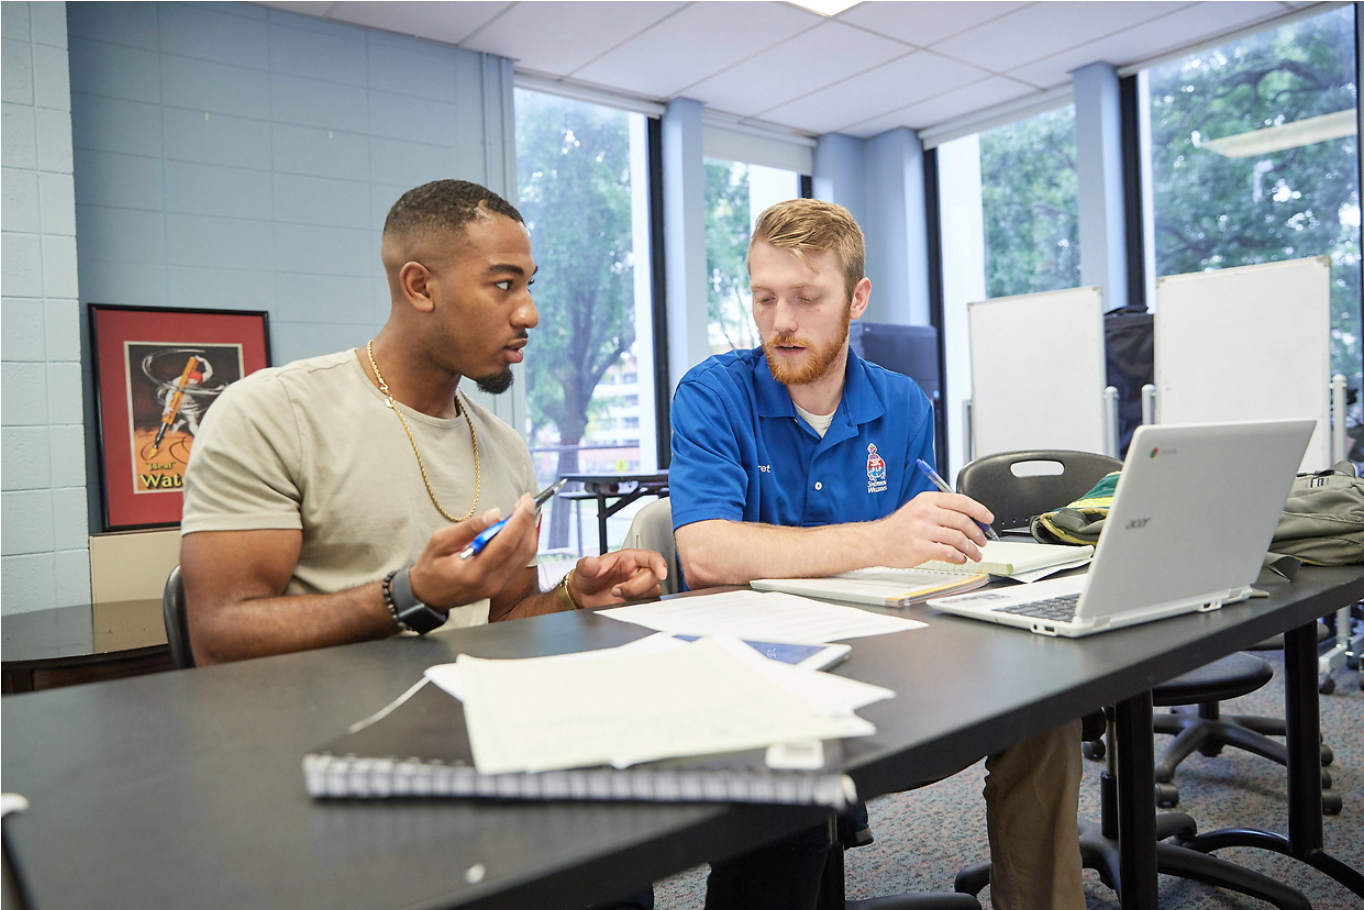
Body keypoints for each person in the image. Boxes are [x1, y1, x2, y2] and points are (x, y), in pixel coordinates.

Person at [668, 199, 1085, 909]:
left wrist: (954, 552)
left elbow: (923, 557)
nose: (781, 321)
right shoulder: (713, 394)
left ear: (857, 299)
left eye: (806, 298)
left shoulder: (903, 403)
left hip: (891, 653)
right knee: (786, 798)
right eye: (764, 298)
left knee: (1047, 710)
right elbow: (705, 552)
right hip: (765, 675)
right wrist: (883, 537)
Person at [180, 179, 667, 668]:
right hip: (325, 714)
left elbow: (502, 620)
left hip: (472, 707)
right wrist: (412, 595)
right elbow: (219, 636)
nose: (529, 313)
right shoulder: (272, 413)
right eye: (503, 284)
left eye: (528, 285)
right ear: (420, 287)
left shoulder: (505, 447)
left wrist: (571, 596)